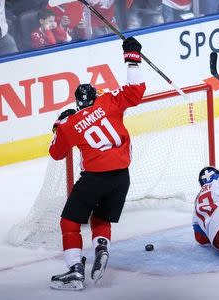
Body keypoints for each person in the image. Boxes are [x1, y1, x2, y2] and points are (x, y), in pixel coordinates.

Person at [49, 36, 146, 290]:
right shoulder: (109, 101)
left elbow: (56, 153)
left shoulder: (70, 125)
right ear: (95, 96)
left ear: (77, 102)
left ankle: (74, 271)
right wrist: (132, 58)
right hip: (121, 176)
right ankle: (101, 245)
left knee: (69, 223)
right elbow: (135, 93)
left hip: (94, 178)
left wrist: (58, 126)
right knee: (100, 216)